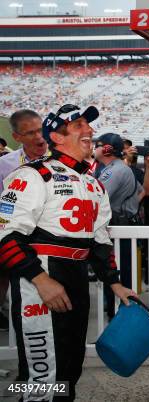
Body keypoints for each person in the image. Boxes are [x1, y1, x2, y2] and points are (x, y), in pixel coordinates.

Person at [0, 104, 136, 401]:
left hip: (77, 281)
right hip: (39, 283)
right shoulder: (32, 175)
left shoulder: (93, 184)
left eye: (88, 126)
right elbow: (4, 235)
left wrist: (115, 283)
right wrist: (40, 280)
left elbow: (99, 244)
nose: (88, 130)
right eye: (78, 126)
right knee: (41, 376)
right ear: (56, 137)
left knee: (68, 370)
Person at [94, 133, 149, 318]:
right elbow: (141, 191)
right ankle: (120, 320)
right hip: (121, 227)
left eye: (97, 145)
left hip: (118, 231)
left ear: (106, 149)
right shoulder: (119, 168)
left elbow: (95, 198)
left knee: (119, 281)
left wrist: (123, 211)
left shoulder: (116, 170)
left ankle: (119, 324)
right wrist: (129, 208)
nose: (94, 148)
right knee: (120, 278)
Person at [0, 110, 50, 331]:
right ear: (17, 137)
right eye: (30, 133)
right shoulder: (5, 164)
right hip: (13, 241)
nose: (39, 137)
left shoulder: (59, 158)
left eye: (40, 130)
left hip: (49, 243)